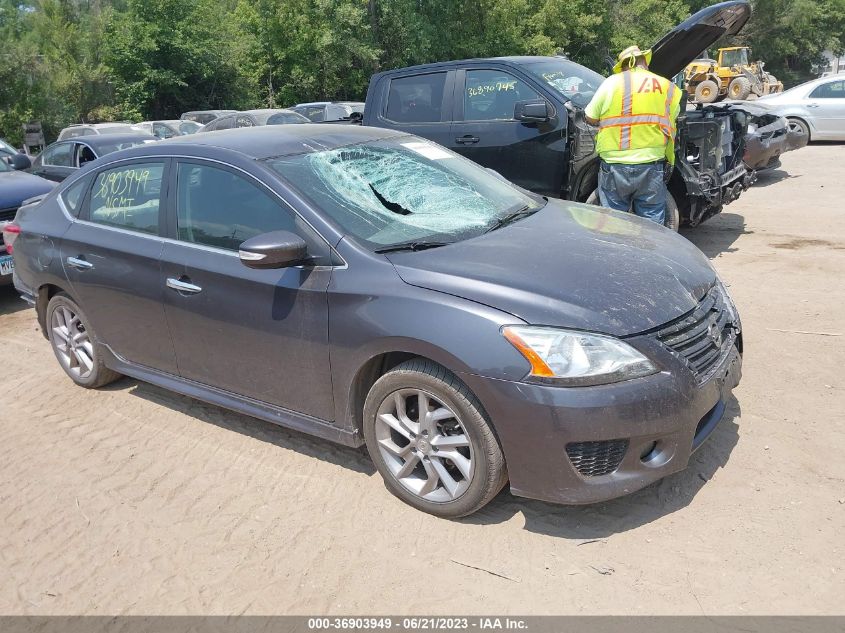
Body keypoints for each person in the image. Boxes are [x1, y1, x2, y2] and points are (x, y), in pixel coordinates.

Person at [584, 45, 682, 225]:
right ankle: (650, 253)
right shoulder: (667, 86)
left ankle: (621, 253)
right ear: (645, 61)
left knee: (615, 220)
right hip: (651, 164)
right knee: (652, 221)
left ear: (624, 64)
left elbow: (590, 116)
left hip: (615, 165)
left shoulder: (613, 82)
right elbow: (672, 118)